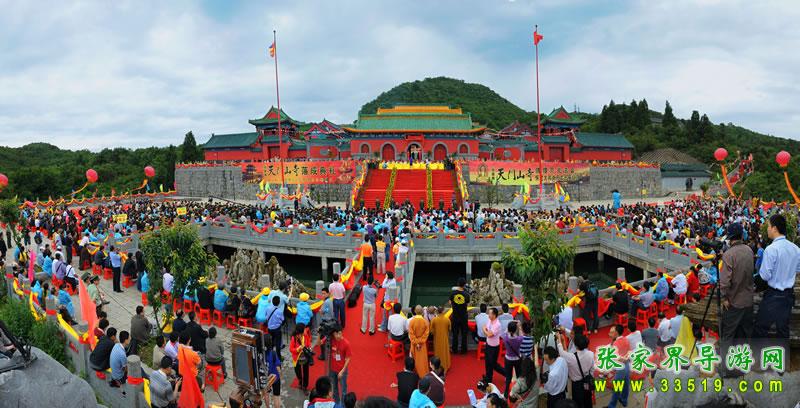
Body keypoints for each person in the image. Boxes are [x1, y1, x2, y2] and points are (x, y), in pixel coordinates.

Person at [754, 213, 800, 340]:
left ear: (774, 228)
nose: (767, 229)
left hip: (773, 295)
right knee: (783, 330)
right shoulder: (796, 249)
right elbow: (797, 269)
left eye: (768, 226)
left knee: (760, 329)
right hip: (788, 295)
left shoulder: (771, 249)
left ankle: (756, 352)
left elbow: (765, 275)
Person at [719, 222, 754, 348]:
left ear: (730, 238)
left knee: (728, 336)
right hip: (748, 300)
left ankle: (726, 360)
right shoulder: (749, 250)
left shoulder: (729, 254)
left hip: (734, 302)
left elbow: (724, 282)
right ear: (741, 236)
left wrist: (724, 298)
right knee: (745, 334)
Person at [607, 324, 630, 408]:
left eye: (612, 332)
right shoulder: (626, 339)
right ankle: (624, 401)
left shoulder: (616, 343)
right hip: (627, 365)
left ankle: (611, 405)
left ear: (616, 332)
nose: (610, 334)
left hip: (621, 368)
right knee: (626, 384)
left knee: (617, 388)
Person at [328, 324, 351, 403]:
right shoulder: (331, 340)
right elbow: (319, 343)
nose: (338, 336)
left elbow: (348, 358)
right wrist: (319, 334)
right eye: (336, 334)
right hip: (332, 369)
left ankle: (343, 405)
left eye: (340, 333)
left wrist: (342, 371)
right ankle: (337, 403)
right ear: (333, 334)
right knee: (334, 388)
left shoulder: (346, 343)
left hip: (342, 370)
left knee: (343, 390)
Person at [500, 321, 523, 397]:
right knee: (519, 375)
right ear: (516, 329)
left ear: (508, 329)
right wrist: (519, 326)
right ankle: (519, 390)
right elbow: (521, 334)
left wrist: (509, 326)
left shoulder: (505, 337)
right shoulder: (519, 339)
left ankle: (506, 392)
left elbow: (503, 333)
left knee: (508, 376)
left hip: (508, 359)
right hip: (517, 359)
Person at [448, 277, 470, 354]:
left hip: (455, 316)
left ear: (458, 284)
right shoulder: (466, 294)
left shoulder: (453, 293)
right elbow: (468, 303)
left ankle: (454, 349)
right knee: (464, 334)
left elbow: (450, 302)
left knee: (455, 334)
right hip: (464, 316)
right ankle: (464, 350)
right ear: (464, 285)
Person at [482, 307, 504, 384]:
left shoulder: (497, 324)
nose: (488, 315)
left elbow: (489, 334)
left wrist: (484, 330)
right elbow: (485, 327)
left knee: (494, 364)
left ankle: (506, 373)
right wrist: (485, 330)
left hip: (494, 347)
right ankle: (488, 378)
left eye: (490, 314)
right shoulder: (489, 320)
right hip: (488, 344)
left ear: (494, 315)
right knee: (487, 362)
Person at [408, 305, 430, 377]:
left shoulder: (412, 322)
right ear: (423, 312)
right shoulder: (425, 322)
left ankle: (414, 372)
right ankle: (423, 373)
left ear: (415, 311)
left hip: (414, 344)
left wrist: (416, 342)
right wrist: (420, 341)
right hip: (422, 344)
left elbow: (411, 334)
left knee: (413, 358)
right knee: (422, 359)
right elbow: (426, 334)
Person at [290, 323, 312, 393]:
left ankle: (305, 386)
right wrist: (297, 349)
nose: (305, 331)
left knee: (306, 372)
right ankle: (300, 380)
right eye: (304, 330)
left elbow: (308, 343)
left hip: (305, 357)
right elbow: (291, 349)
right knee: (298, 372)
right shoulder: (294, 338)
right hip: (297, 358)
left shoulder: (305, 335)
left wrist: (309, 348)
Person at [263, 334, 282, 408]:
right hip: (275, 378)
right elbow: (278, 367)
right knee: (276, 396)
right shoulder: (273, 353)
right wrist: (280, 375)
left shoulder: (260, 354)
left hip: (266, 378)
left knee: (266, 394)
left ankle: (268, 407)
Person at [430, 306, 451, 372]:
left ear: (437, 311)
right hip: (444, 339)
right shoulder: (447, 320)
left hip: (437, 339)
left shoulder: (434, 320)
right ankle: (445, 366)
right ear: (443, 311)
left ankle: (437, 366)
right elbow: (449, 329)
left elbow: (431, 331)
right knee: (444, 353)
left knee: (437, 353)